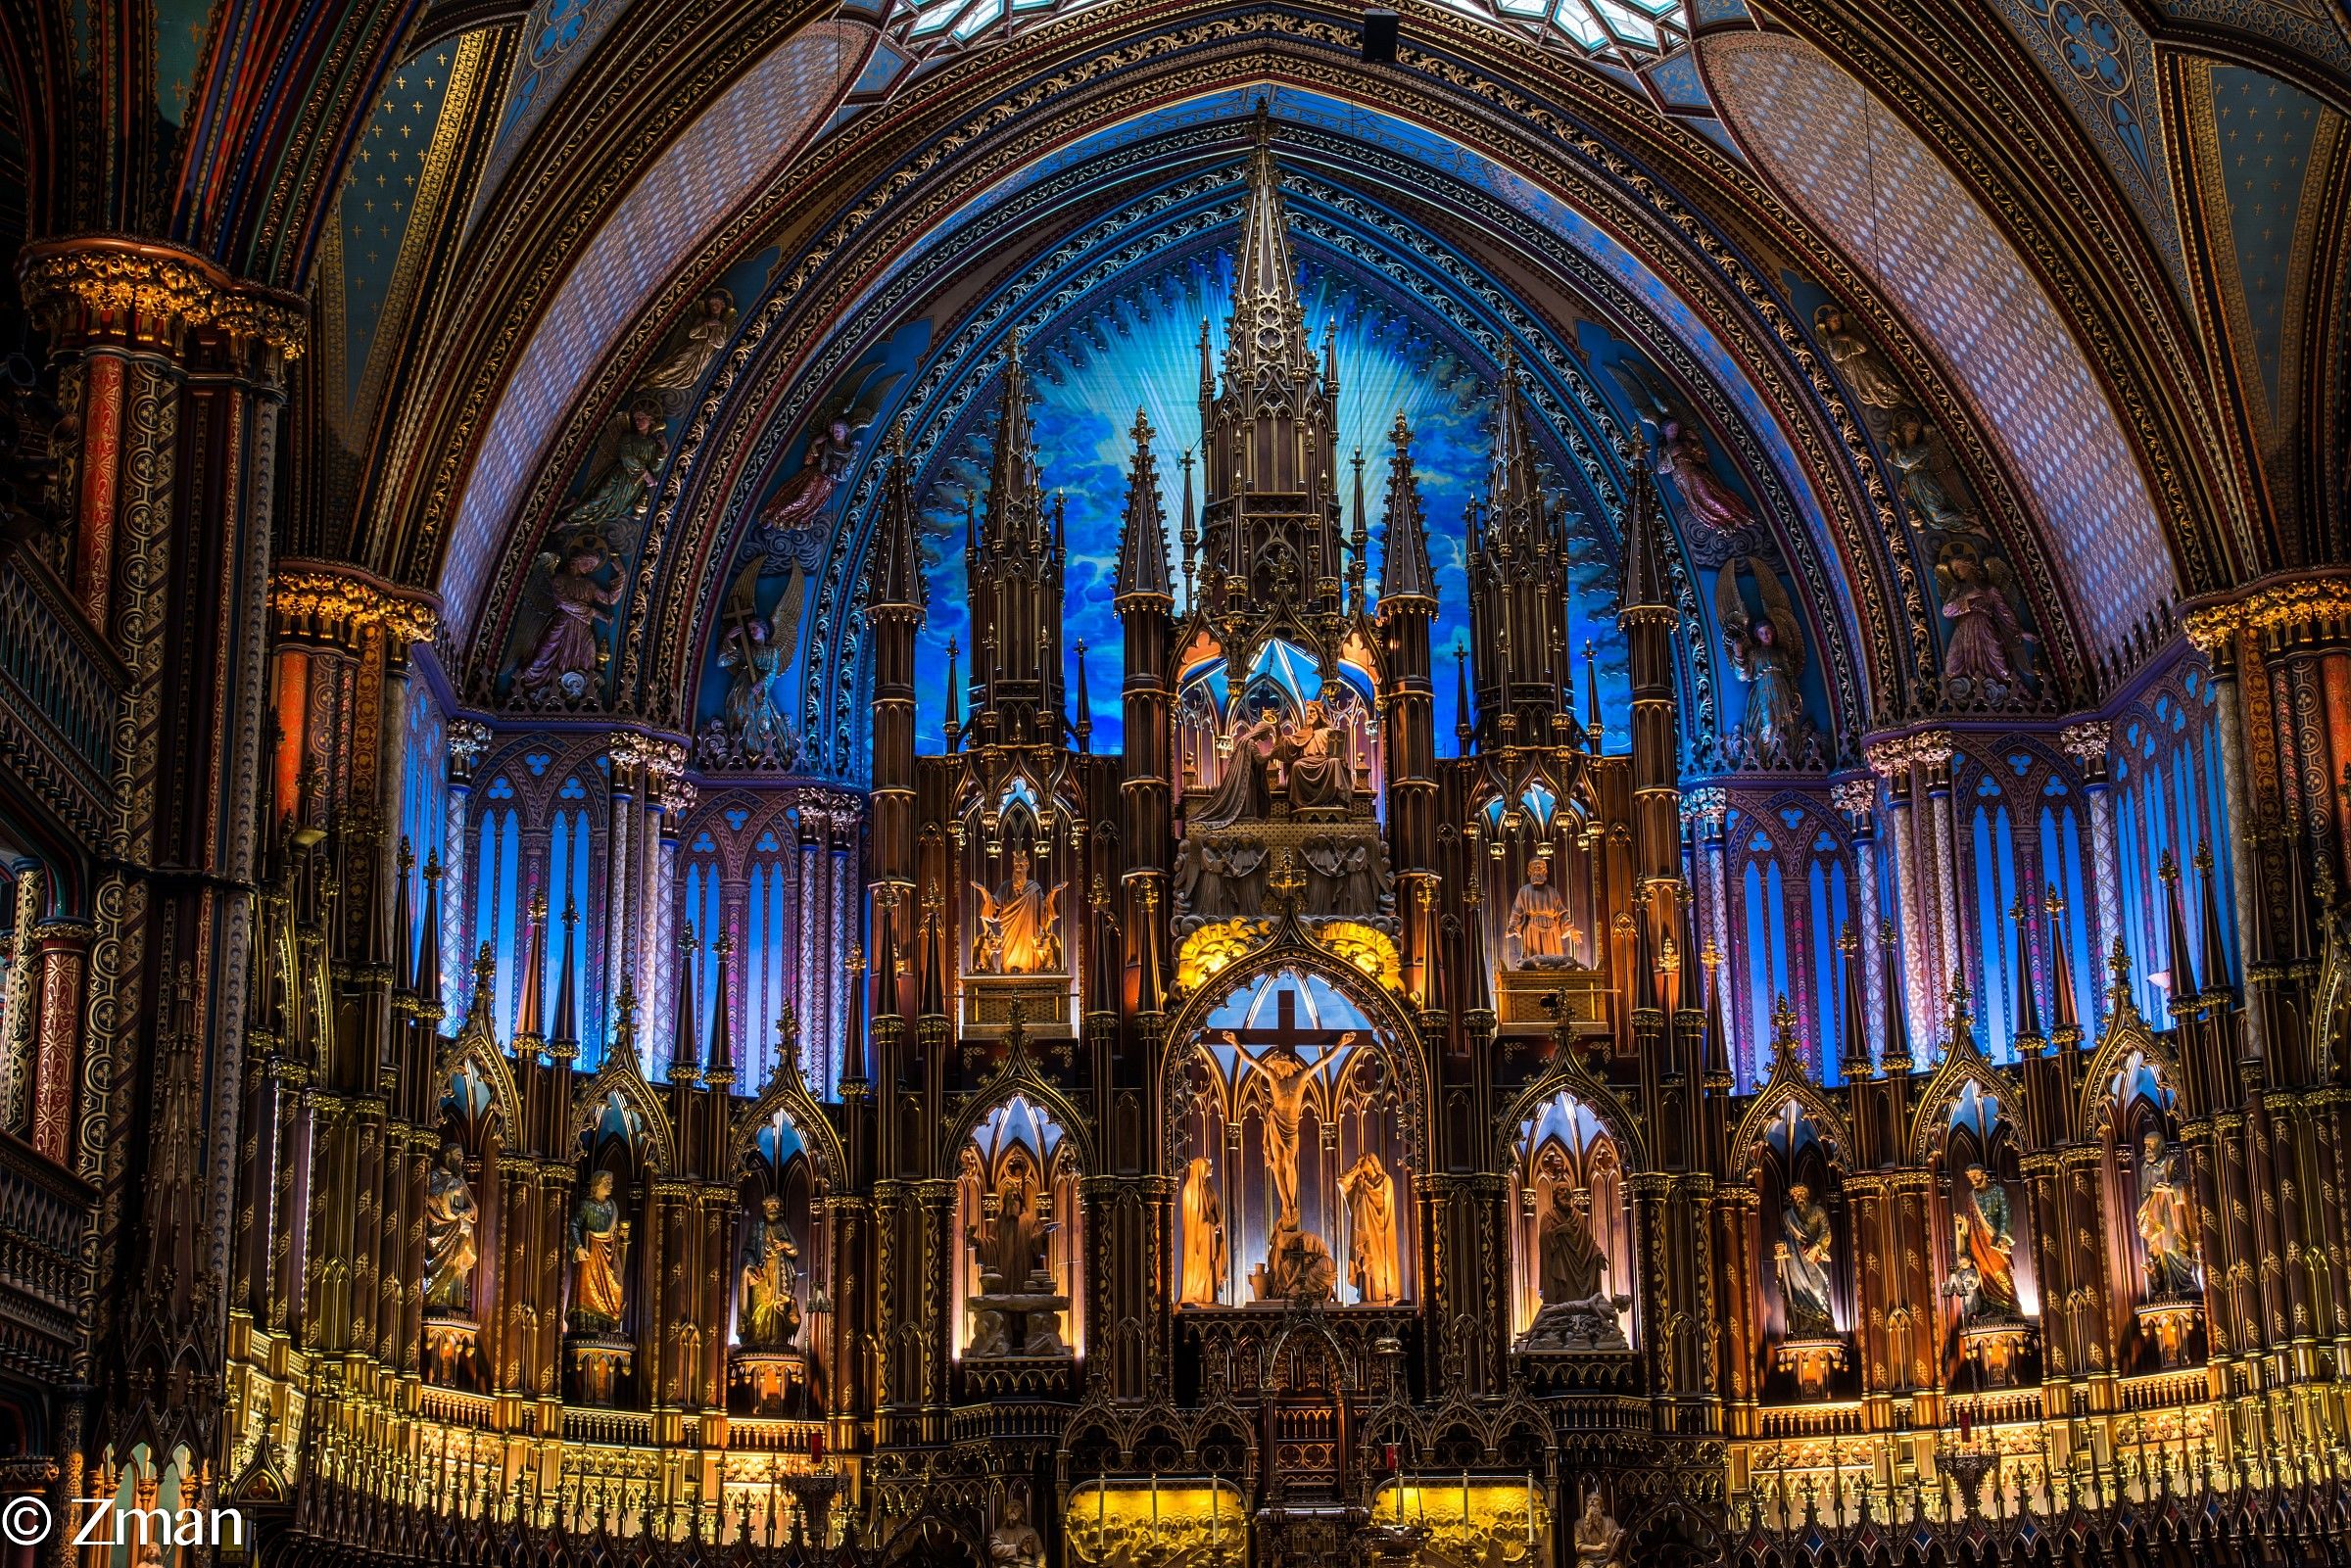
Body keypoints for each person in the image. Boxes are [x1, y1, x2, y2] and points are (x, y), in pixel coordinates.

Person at [972, 847, 1061, 974]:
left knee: (1030, 959)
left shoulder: (1034, 888)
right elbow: (994, 905)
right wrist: (983, 891)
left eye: (1021, 865)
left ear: (1027, 867)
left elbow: (1044, 910)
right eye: (1016, 865)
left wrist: (1053, 893)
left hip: (1029, 930)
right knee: (1008, 964)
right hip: (1009, 931)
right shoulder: (1006, 886)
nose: (1018, 868)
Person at [2136, 1131, 2200, 1297]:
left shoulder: (2172, 1162)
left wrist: (2170, 1189)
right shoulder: (2145, 1168)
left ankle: (2186, 1284)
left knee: (2173, 1247)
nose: (2148, 1148)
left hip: (2172, 1212)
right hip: (2154, 1213)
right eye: (2146, 1144)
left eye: (2151, 1144)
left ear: (2161, 1146)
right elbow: (2145, 1192)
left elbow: (2185, 1185)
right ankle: (2166, 1286)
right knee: (2158, 1250)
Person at [568, 1169, 631, 1333]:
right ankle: (587, 1327)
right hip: (591, 1253)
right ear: (596, 1185)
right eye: (606, 1182)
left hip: (609, 1254)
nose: (611, 1185)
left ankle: (608, 1326)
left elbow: (613, 1234)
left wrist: (622, 1234)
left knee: (615, 1286)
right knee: (588, 1291)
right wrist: (578, 1247)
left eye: (611, 1182)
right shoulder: (586, 1205)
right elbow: (574, 1225)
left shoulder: (612, 1206)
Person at [1954, 1164, 2019, 1321]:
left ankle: (2011, 1307)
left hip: (1994, 1239)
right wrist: (1962, 1221)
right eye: (1970, 1177)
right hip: (1977, 1240)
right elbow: (1970, 1217)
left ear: (1983, 1174)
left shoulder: (1998, 1192)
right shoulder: (1970, 1197)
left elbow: (2006, 1215)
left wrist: (2004, 1238)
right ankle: (1990, 1308)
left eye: (1975, 1175)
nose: (1973, 1179)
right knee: (1983, 1273)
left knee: (2000, 1271)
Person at [739, 1194, 801, 1348]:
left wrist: (786, 1245)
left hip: (780, 1276)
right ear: (765, 1207)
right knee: (760, 1307)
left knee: (778, 1308)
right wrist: (750, 1267)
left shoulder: (783, 1226)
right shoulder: (758, 1226)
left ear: (780, 1209)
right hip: (762, 1274)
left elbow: (794, 1250)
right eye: (770, 1205)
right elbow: (747, 1251)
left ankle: (777, 1341)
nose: (773, 1208)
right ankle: (757, 1340)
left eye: (776, 1205)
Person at [1775, 1182, 1837, 1338]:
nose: (1799, 1197)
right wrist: (1781, 1245)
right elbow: (1784, 1236)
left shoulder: (1818, 1211)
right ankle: (1803, 1325)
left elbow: (1826, 1232)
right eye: (1795, 1195)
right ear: (1792, 1197)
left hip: (1814, 1258)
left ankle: (1824, 1324)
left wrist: (1816, 1246)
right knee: (1798, 1291)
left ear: (1807, 1195)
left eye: (1801, 1193)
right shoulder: (1787, 1216)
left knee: (1819, 1289)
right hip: (1795, 1260)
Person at [422, 1144, 478, 1312]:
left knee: (457, 1265)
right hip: (441, 1232)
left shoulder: (460, 1180)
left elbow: (472, 1206)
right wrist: (451, 1193)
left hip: (459, 1231)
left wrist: (467, 1212)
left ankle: (455, 1302)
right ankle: (435, 1301)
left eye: (462, 1157)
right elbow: (433, 1201)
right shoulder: (435, 1176)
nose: (461, 1160)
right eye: (458, 1156)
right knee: (442, 1264)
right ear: (447, 1156)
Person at [1341, 1151, 1401, 1305]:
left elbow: (1382, 1201)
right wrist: (1356, 1169)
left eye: (1362, 1161)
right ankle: (1367, 1294)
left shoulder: (1385, 1180)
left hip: (1380, 1233)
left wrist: (1365, 1187)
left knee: (1378, 1262)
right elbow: (1342, 1181)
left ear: (1372, 1162)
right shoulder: (1360, 1183)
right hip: (1365, 1231)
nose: (1360, 1163)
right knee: (1365, 1258)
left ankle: (1382, 1293)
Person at [1178, 1156, 1226, 1307]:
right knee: (1202, 1263)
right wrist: (1209, 1228)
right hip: (1200, 1237)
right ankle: (1197, 1295)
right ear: (1200, 1167)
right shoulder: (1191, 1189)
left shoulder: (1208, 1186)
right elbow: (1195, 1221)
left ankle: (1209, 1296)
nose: (1211, 1168)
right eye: (1208, 1166)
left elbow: (1217, 1209)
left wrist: (1218, 1224)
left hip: (1212, 1232)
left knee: (1212, 1265)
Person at [1510, 857, 1572, 968]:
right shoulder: (1524, 891)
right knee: (1534, 961)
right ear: (1529, 871)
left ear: (1545, 871)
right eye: (1535, 867)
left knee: (1554, 961)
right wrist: (1512, 925)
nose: (1538, 869)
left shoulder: (1552, 892)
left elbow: (1562, 913)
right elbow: (1517, 911)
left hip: (1552, 931)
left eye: (1541, 867)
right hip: (1532, 929)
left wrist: (1571, 929)